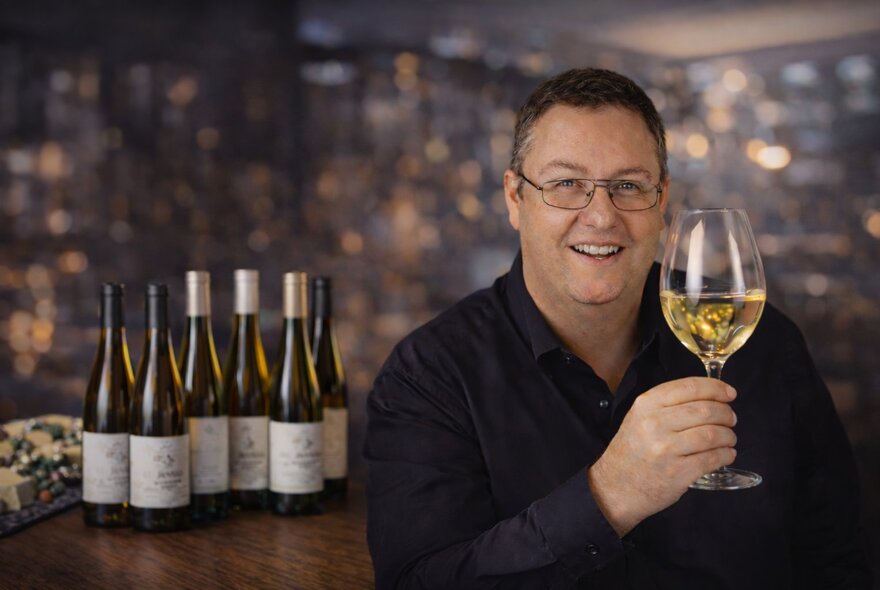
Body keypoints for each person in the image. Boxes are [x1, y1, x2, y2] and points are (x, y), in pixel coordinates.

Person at [363, 68, 872, 589]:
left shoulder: (766, 345)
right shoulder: (428, 377)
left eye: (627, 185)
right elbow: (416, 581)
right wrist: (609, 496)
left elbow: (838, 561)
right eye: (566, 184)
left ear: (661, 200)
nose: (602, 216)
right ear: (515, 198)